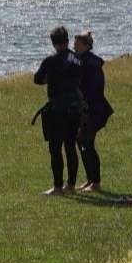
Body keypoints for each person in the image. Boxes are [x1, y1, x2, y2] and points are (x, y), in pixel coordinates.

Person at [32, 25, 85, 193]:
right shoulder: (76, 59)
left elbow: (38, 79)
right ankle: (71, 185)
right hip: (75, 107)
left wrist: (51, 79)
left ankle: (57, 186)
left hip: (57, 109)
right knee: (70, 146)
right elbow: (81, 77)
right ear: (67, 41)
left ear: (53, 43)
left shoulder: (50, 61)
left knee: (55, 148)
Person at [72, 29, 112, 192]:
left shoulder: (91, 63)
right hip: (86, 109)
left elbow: (94, 89)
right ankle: (90, 179)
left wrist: (86, 108)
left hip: (93, 110)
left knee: (87, 142)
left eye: (77, 44)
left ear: (85, 46)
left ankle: (96, 182)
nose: (74, 46)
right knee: (81, 141)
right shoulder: (82, 60)